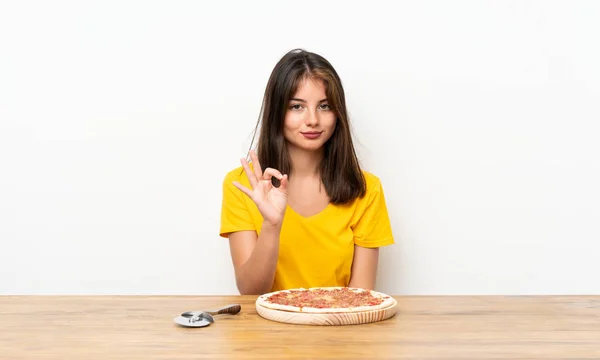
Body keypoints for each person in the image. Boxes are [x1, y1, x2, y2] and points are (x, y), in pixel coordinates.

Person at [219, 49, 394, 295]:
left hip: (338, 328)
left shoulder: (365, 188)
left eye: (324, 106)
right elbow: (250, 290)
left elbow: (360, 297)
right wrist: (271, 224)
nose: (313, 120)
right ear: (277, 113)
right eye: (297, 106)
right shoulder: (243, 185)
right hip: (266, 331)